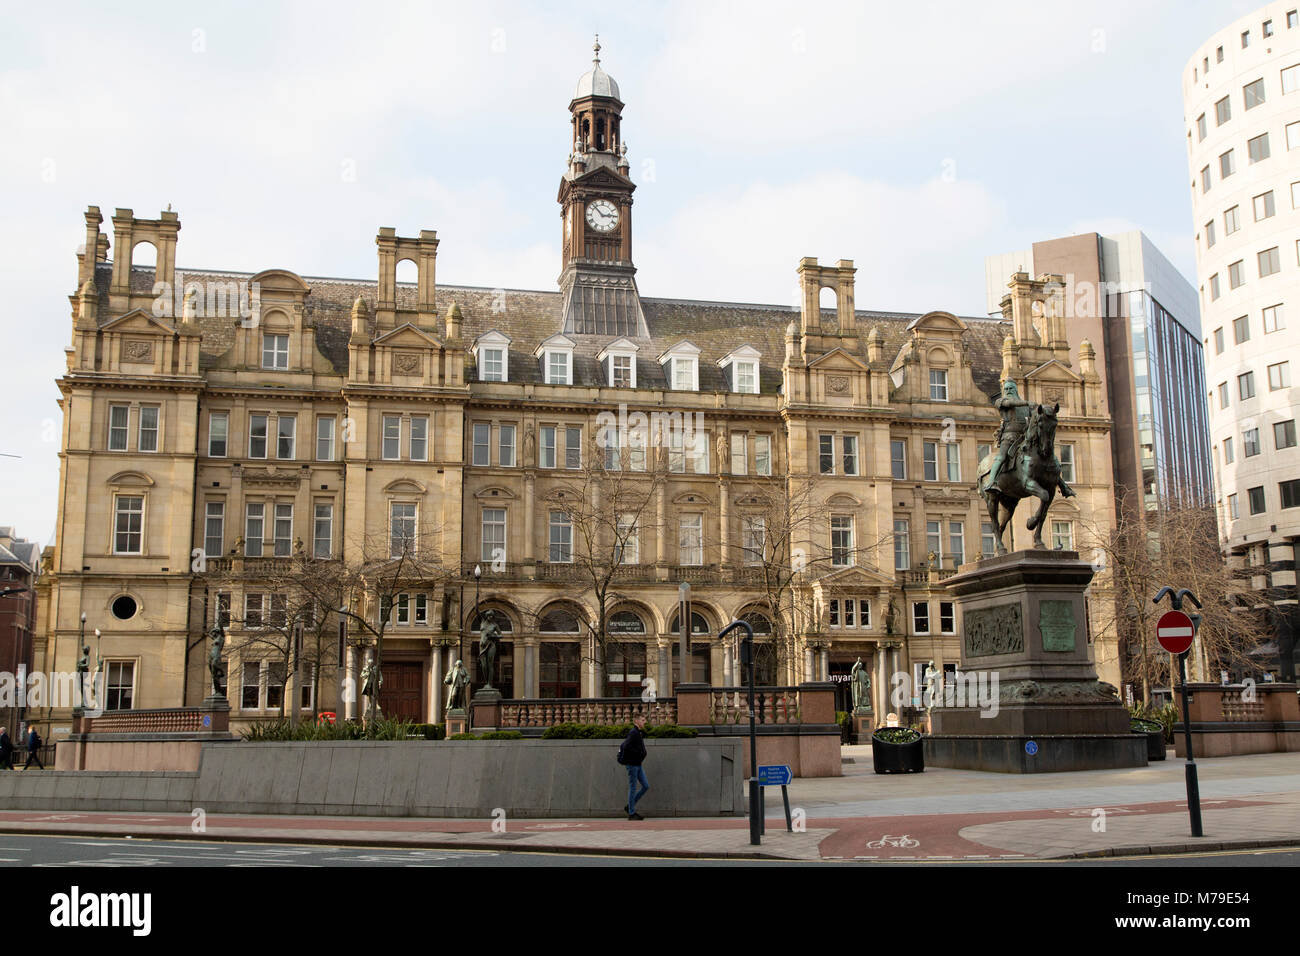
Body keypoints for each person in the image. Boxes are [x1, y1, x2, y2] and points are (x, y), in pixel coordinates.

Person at [620, 714, 649, 820]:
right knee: (633, 788)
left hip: (638, 764)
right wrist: (638, 754)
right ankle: (631, 813)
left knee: (646, 786)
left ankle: (630, 806)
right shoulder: (633, 733)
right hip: (632, 765)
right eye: (643, 720)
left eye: (645, 720)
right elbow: (627, 747)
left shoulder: (638, 732)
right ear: (636, 721)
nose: (645, 722)